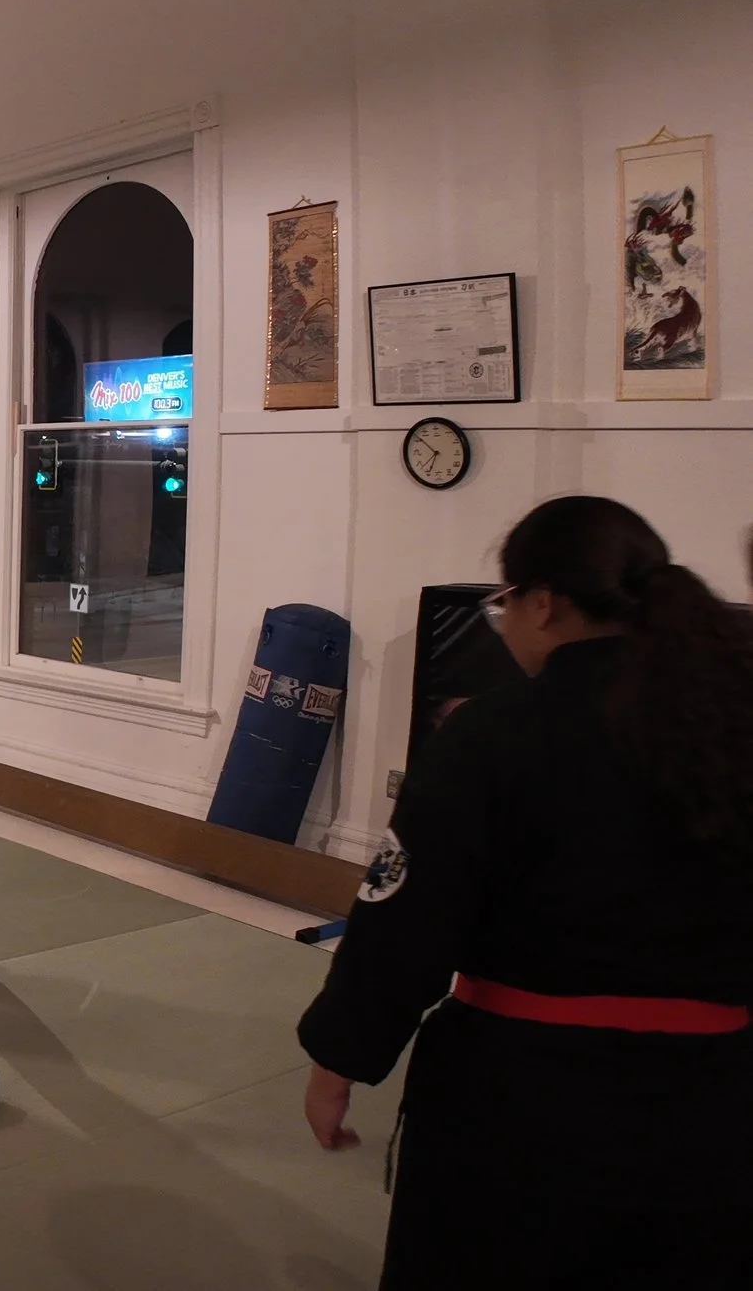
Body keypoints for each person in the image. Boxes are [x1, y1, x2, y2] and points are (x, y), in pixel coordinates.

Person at [297, 496, 753, 1289]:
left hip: (528, 1101)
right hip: (718, 1099)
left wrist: (339, 1058)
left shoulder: (492, 733)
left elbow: (405, 919)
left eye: (503, 604)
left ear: (544, 602)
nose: (503, 625)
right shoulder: (731, 721)